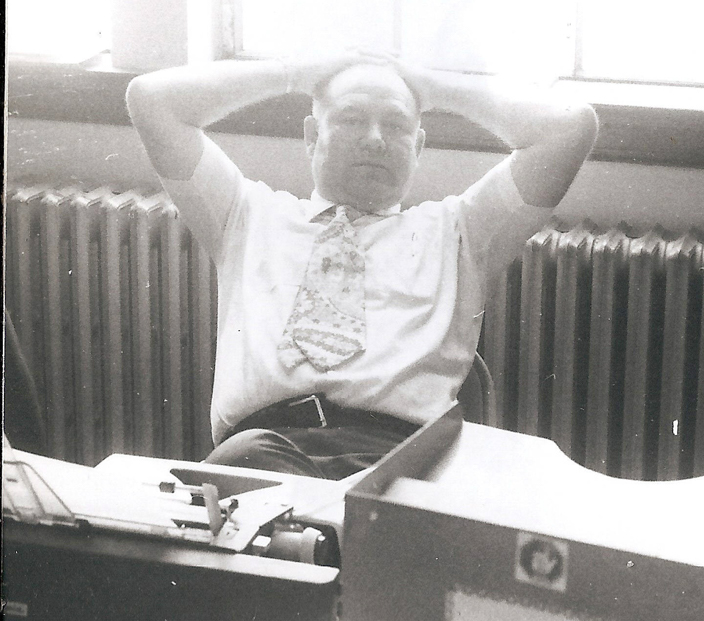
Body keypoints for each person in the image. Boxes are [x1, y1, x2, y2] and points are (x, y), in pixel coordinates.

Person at [126, 52, 597, 478]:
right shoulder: (245, 215)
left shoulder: (460, 232)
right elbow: (151, 100)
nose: (374, 140)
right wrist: (295, 71)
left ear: (418, 147)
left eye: (395, 125)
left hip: (399, 462)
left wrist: (437, 88)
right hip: (265, 454)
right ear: (313, 136)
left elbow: (571, 129)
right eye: (351, 119)